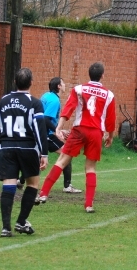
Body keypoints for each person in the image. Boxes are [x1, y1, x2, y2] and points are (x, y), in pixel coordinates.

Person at [36, 62, 116, 213]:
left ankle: (43, 194)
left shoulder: (78, 89)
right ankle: (88, 205)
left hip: (79, 129)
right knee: (90, 167)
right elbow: (111, 121)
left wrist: (59, 127)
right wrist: (110, 136)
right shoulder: (109, 94)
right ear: (102, 75)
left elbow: (68, 109)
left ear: (89, 74)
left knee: (61, 161)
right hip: (96, 132)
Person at [0, 68, 48, 237]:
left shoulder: (2, 101)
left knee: (8, 184)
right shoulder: (34, 102)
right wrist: (44, 153)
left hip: (7, 147)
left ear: (15, 82)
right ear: (31, 82)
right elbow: (39, 129)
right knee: (32, 184)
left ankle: (5, 228)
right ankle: (21, 222)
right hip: (28, 148)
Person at [18, 77, 82, 194]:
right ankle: (67, 186)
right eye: (63, 83)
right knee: (67, 154)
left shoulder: (46, 96)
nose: (64, 85)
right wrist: (57, 130)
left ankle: (21, 181)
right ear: (58, 86)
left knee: (37, 160)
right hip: (46, 134)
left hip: (38, 133)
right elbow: (45, 119)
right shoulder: (54, 101)